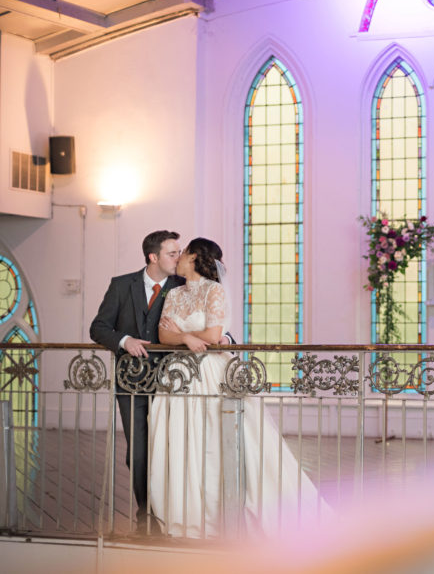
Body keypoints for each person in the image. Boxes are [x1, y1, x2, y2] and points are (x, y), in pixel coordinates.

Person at [149, 237, 325, 538]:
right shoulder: (174, 293)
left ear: (194, 257)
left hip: (212, 373)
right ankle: (186, 511)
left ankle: (222, 512)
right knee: (180, 440)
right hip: (178, 376)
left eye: (183, 253)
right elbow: (163, 335)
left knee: (216, 439)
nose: (178, 258)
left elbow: (215, 335)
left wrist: (185, 334)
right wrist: (188, 339)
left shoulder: (214, 290)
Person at [90, 230, 183, 533]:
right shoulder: (121, 285)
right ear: (153, 257)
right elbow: (99, 328)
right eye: (172, 253)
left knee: (169, 447)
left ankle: (171, 506)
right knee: (139, 451)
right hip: (130, 384)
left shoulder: (183, 286)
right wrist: (125, 340)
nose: (178, 258)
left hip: (174, 384)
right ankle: (147, 512)